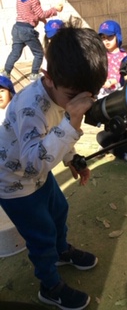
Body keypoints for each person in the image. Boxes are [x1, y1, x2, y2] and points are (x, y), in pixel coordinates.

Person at [0, 24, 108, 310]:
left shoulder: (63, 94)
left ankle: (62, 251)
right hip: (15, 182)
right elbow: (33, 163)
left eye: (88, 97)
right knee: (41, 235)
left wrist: (71, 158)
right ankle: (50, 286)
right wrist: (72, 123)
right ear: (48, 78)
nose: (80, 105)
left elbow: (56, 130)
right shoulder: (30, 109)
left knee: (59, 211)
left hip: (37, 174)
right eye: (74, 98)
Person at [1, 0, 63, 82]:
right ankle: (34, 74)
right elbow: (42, 14)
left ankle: (6, 73)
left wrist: (42, 21)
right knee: (38, 53)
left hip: (17, 28)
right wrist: (55, 9)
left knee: (15, 53)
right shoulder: (33, 0)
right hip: (27, 30)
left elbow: (29, 13)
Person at [98, 20, 127, 98]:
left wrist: (112, 81)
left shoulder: (123, 56)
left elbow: (125, 75)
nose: (106, 40)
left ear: (117, 36)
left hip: (118, 91)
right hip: (103, 91)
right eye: (103, 37)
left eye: (110, 36)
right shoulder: (101, 55)